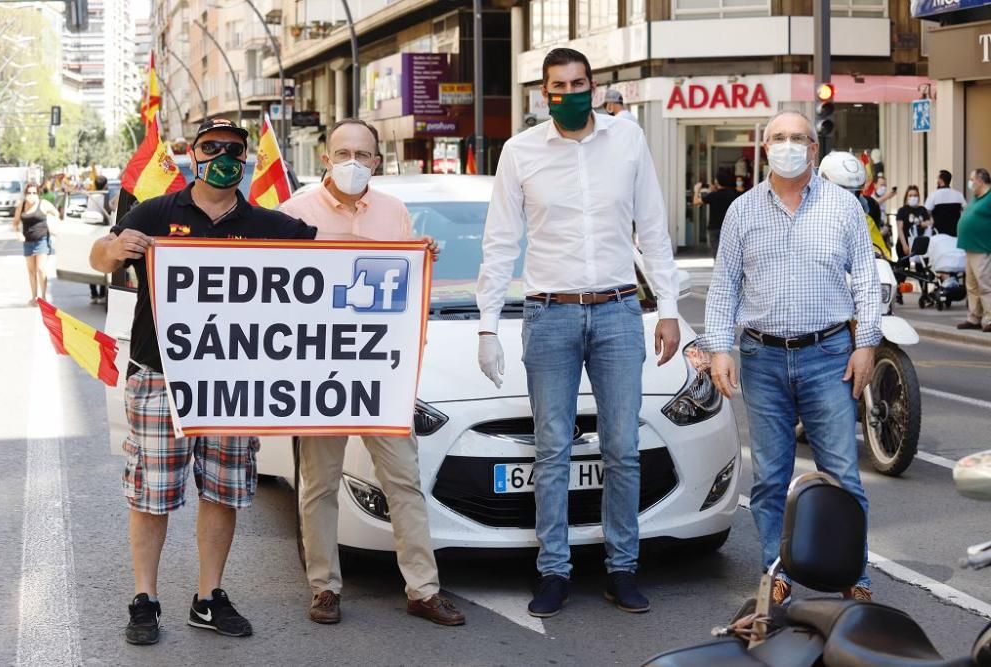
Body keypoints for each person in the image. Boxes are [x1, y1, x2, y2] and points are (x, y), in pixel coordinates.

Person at [88, 118, 319, 646]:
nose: (224, 156)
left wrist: (412, 255)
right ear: (193, 155)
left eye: (234, 149)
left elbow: (334, 257)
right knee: (151, 495)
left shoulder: (267, 223)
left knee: (223, 492)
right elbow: (100, 256)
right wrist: (116, 248)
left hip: (230, 384)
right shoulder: (156, 213)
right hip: (158, 379)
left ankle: (208, 598)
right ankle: (144, 600)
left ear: (247, 160)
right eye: (212, 147)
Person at [476, 47, 680, 618]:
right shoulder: (520, 152)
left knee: (622, 448)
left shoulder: (628, 140)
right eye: (558, 86)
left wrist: (667, 306)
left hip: (618, 311)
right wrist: (487, 324)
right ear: (544, 94)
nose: (569, 93)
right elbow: (499, 243)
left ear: (594, 85)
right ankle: (554, 571)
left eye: (579, 83)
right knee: (552, 451)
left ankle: (622, 567)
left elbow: (654, 228)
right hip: (549, 315)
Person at [277, 118, 464, 627]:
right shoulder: (293, 213)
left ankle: (423, 590)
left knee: (404, 481)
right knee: (318, 484)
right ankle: (324, 588)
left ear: (377, 162)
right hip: (320, 373)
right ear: (326, 158)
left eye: (362, 154)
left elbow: (403, 293)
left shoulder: (394, 213)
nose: (352, 163)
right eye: (343, 153)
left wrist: (422, 260)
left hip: (383, 374)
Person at [701, 110, 881, 606]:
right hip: (762, 358)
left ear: (814, 149)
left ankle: (855, 575)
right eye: (778, 137)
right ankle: (775, 573)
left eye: (798, 137)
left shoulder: (844, 208)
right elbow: (724, 288)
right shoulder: (742, 211)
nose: (788, 145)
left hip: (829, 356)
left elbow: (866, 281)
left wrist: (866, 343)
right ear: (765, 149)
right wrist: (721, 348)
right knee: (770, 478)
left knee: (844, 476)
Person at [13, 182, 60, 306]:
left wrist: (52, 225)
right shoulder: (22, 206)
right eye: (29, 193)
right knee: (31, 271)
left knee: (40, 269)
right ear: (25, 194)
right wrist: (18, 233)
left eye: (34, 192)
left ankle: (43, 297)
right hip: (28, 242)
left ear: (38, 194)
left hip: (42, 240)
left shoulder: (43, 204)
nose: (32, 195)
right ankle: (34, 297)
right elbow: (15, 223)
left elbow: (56, 213)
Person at [955, 168, 991, 333]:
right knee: (972, 285)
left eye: (972, 179)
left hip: (982, 247)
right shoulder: (976, 197)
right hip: (970, 247)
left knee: (985, 285)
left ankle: (989, 318)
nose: (970, 183)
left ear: (980, 180)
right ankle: (974, 317)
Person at [692, 167, 740, 259]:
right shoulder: (734, 194)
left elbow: (696, 202)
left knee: (717, 254)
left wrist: (697, 190)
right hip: (730, 227)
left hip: (715, 228)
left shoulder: (714, 195)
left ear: (717, 181)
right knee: (730, 253)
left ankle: (719, 270)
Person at [87, 174, 111, 304]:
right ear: (105, 184)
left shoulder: (91, 196)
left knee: (93, 262)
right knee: (103, 262)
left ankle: (94, 293)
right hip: (101, 231)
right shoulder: (103, 196)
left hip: (91, 231)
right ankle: (100, 294)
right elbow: (108, 212)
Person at [925, 169, 968, 236]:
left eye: (937, 178)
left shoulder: (933, 195)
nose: (936, 180)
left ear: (940, 180)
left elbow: (927, 211)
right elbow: (966, 210)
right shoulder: (958, 194)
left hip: (938, 234)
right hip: (955, 233)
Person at [895, 185, 932, 258]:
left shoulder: (922, 209)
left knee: (920, 268)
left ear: (918, 197)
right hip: (905, 244)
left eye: (915, 195)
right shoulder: (902, 210)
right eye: (910, 195)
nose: (913, 197)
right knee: (904, 268)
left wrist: (925, 223)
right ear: (906, 197)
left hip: (919, 246)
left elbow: (929, 222)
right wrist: (904, 245)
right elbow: (900, 229)